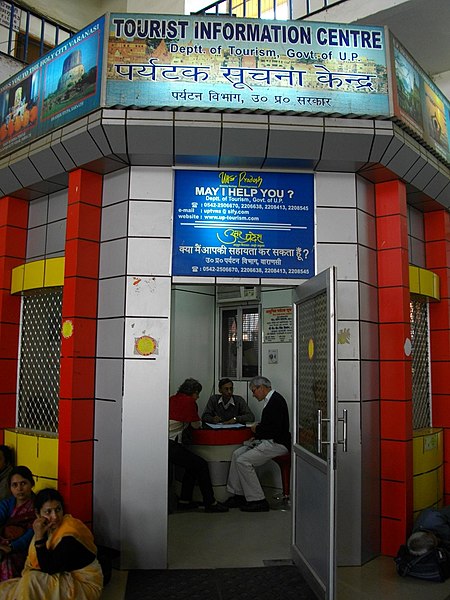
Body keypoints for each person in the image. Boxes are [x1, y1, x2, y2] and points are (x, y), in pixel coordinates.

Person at [0, 488, 103, 600]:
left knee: (32, 581)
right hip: (62, 575)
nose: (54, 517)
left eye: (58, 510)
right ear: (37, 514)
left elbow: (48, 568)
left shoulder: (69, 533)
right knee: (5, 590)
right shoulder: (45, 527)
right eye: (48, 512)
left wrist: (39, 538)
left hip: (83, 584)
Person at [225, 376, 291, 512]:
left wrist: (257, 430)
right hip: (270, 440)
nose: (253, 395)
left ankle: (258, 500)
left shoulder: (275, 402)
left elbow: (275, 429)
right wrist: (257, 435)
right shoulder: (272, 400)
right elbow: (271, 425)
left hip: (278, 444)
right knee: (237, 454)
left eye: (254, 391)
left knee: (243, 461)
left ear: (262, 387)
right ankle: (238, 494)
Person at [169, 378, 228, 513]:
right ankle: (210, 503)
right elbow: (196, 425)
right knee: (201, 464)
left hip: (163, 443)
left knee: (192, 466)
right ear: (193, 392)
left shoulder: (173, 398)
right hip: (171, 444)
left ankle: (185, 500)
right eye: (198, 393)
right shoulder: (189, 402)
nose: (198, 397)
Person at [0, 466, 36, 581]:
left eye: (23, 483)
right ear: (10, 488)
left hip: (23, 549)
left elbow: (31, 533)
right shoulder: (7, 504)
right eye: (14, 485)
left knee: (5, 560)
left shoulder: (37, 507)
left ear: (31, 483)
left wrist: (12, 547)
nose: (19, 488)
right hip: (3, 544)